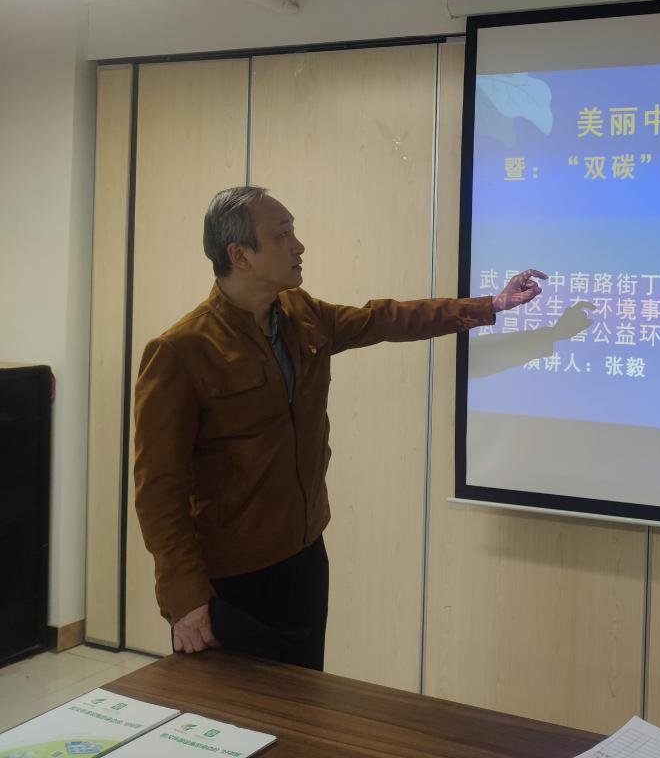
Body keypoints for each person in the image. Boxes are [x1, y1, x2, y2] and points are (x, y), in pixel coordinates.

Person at [132, 185, 545, 670]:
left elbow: (385, 319)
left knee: (304, 699)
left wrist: (490, 305)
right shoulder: (181, 351)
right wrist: (184, 597)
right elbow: (158, 489)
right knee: (235, 711)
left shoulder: (301, 315)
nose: (298, 245)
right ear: (239, 254)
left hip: (305, 557)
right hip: (231, 578)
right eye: (283, 234)